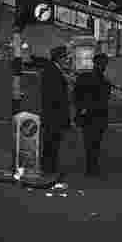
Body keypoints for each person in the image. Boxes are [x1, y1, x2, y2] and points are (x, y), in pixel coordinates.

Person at [73, 51, 111, 177]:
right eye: (103, 64)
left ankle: (91, 167)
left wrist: (81, 110)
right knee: (94, 144)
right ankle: (92, 167)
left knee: (90, 144)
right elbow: (103, 100)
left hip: (89, 117)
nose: (103, 66)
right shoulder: (103, 81)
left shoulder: (85, 77)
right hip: (95, 117)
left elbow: (76, 96)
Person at [39, 44, 71, 177]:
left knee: (52, 142)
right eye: (65, 57)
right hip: (53, 115)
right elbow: (55, 95)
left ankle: (50, 167)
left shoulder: (53, 70)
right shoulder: (52, 71)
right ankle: (48, 168)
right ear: (59, 58)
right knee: (51, 142)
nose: (67, 60)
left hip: (53, 114)